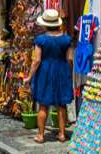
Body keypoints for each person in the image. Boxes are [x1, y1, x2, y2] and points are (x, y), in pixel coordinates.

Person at [24, 9, 73, 144]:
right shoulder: (66, 39)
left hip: (45, 72)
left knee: (43, 105)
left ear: (45, 24)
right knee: (61, 104)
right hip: (62, 71)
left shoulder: (41, 40)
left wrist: (29, 77)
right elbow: (69, 59)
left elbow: (37, 60)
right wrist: (69, 72)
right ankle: (62, 134)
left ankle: (40, 135)